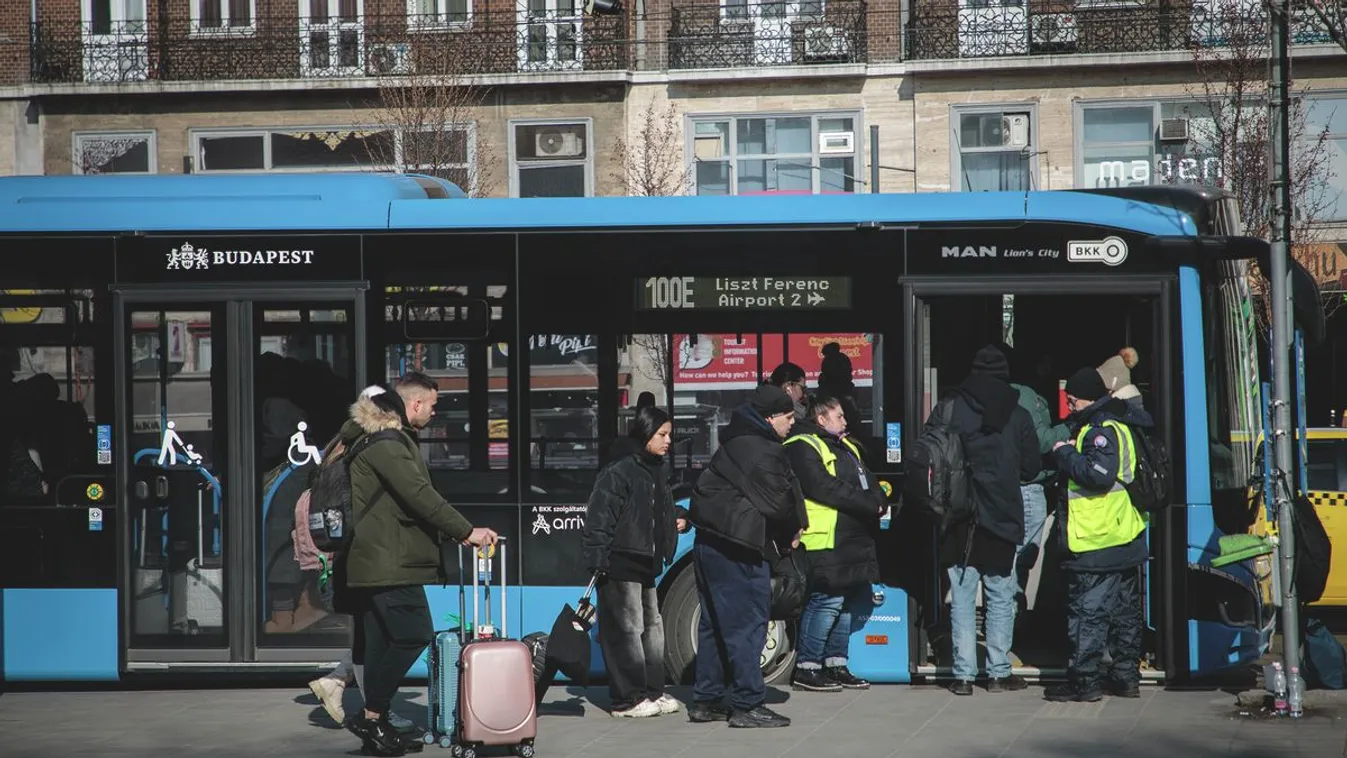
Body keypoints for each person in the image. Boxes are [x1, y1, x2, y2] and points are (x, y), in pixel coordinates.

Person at [341, 373, 499, 757]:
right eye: (432, 405)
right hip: (389, 561)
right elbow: (419, 495)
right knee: (413, 633)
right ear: (414, 404)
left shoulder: (377, 439)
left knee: (381, 642)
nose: (433, 412)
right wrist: (466, 530)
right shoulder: (388, 443)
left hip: (376, 559)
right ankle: (372, 714)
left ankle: (376, 728)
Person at [687, 384, 804, 728]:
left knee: (713, 625)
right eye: (787, 416)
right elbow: (779, 503)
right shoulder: (762, 449)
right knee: (747, 626)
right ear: (769, 418)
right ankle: (747, 704)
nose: (792, 422)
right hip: (738, 547)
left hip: (710, 544)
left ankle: (706, 700)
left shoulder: (735, 442)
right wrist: (793, 530)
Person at [938, 345, 1040, 695]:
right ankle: (998, 672)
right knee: (999, 595)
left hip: (960, 519)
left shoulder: (951, 409)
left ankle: (964, 676)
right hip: (1001, 516)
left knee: (962, 597)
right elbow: (1032, 467)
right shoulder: (1019, 414)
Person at [1045, 367, 1150, 703]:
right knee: (1124, 613)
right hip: (1122, 534)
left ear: (1087, 398)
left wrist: (1065, 453)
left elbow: (1099, 475)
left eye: (1073, 400)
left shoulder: (1099, 429)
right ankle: (1126, 677)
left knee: (1087, 613)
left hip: (1097, 538)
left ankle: (1085, 682)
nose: (1070, 406)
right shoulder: (1118, 422)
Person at [582, 406, 688, 718]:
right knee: (626, 631)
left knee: (651, 630)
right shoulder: (620, 471)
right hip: (620, 561)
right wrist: (598, 559)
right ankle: (627, 700)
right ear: (645, 434)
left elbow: (655, 511)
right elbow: (599, 518)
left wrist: (679, 518)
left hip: (645, 562)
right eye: (662, 434)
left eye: (669, 434)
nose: (668, 441)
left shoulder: (656, 469)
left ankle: (651, 692)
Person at [785, 392, 886, 693]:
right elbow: (823, 487)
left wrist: (879, 500)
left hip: (851, 538)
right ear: (821, 418)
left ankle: (835, 663)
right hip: (825, 538)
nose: (845, 421)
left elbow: (870, 480)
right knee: (826, 601)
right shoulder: (802, 445)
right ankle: (808, 667)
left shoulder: (847, 446)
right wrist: (868, 504)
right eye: (839, 415)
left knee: (846, 603)